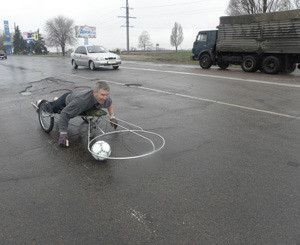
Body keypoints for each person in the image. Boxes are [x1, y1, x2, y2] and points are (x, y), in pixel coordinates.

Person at [49, 81, 117, 147]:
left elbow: (109, 103)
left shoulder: (105, 98)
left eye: (106, 95)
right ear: (95, 92)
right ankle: (43, 103)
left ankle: (56, 100)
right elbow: (64, 114)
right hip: (66, 100)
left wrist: (112, 117)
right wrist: (63, 133)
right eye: (102, 95)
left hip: (78, 98)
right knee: (52, 109)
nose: (105, 97)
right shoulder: (82, 101)